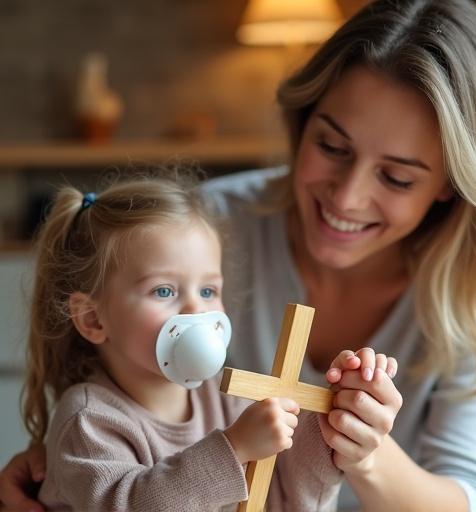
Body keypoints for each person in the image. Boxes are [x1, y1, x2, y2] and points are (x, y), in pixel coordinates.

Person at [1, 0, 476, 510]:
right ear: (302, 123)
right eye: (332, 147)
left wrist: (344, 442)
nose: (347, 197)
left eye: (397, 177)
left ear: (451, 184)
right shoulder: (201, 228)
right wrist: (53, 466)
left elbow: (285, 487)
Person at [10, 173, 351, 512]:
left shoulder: (223, 401)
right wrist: (232, 450)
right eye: (164, 291)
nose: (195, 310)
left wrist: (327, 435)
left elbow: (279, 500)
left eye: (208, 291)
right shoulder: (89, 422)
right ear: (93, 320)